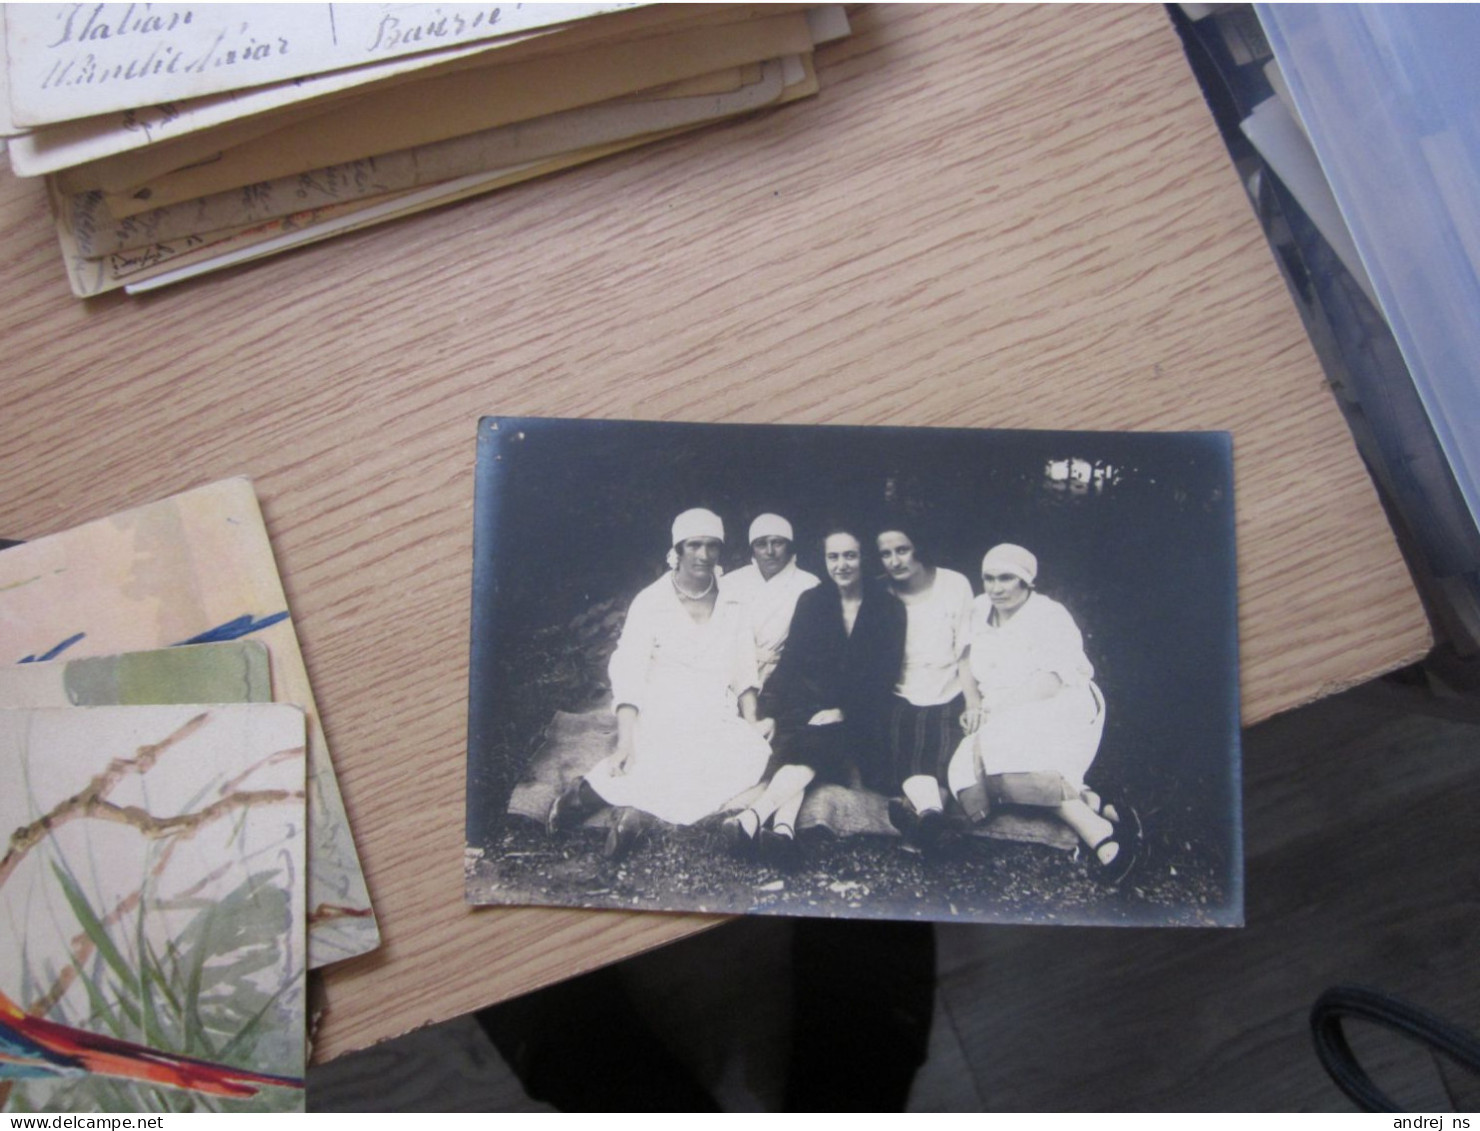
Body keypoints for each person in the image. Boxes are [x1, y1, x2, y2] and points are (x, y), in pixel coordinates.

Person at [547, 508, 774, 858]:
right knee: (667, 754)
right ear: (677, 550)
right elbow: (629, 673)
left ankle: (634, 814)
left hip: (715, 705)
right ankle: (587, 794)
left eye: (712, 546)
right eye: (694, 545)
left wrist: (753, 719)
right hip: (662, 703)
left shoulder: (734, 601)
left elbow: (744, 668)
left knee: (752, 753)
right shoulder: (651, 601)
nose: (703, 555)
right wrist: (625, 741)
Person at [945, 543, 1139, 884]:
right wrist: (973, 704)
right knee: (964, 779)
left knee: (1007, 756)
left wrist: (994, 714)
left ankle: (1097, 831)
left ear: (1026, 581)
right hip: (995, 711)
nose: (996, 587)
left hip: (1060, 704)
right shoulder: (977, 609)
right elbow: (964, 660)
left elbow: (1050, 683)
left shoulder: (1050, 616)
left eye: (1006, 578)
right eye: (988, 578)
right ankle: (1094, 802)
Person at [722, 527, 906, 862]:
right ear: (824, 561)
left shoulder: (889, 608)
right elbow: (791, 661)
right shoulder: (813, 601)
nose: (842, 564)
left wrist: (844, 711)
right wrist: (769, 712)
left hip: (862, 711)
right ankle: (783, 831)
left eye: (850, 555)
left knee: (821, 738)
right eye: (833, 557)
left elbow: (884, 676)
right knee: (802, 738)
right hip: (808, 704)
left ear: (863, 558)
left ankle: (753, 816)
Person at [876, 525, 977, 846]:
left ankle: (921, 816)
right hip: (899, 694)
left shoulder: (954, 584)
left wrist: (973, 702)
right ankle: (932, 819)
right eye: (885, 553)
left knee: (946, 756)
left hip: (949, 691)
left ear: (918, 548)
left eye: (902, 550)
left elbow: (965, 650)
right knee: (902, 757)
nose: (894, 560)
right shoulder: (880, 594)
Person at [721, 513, 820, 688]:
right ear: (753, 549)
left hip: (786, 679)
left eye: (777, 542)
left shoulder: (809, 584)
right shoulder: (731, 582)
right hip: (734, 675)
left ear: (788, 545)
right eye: (761, 544)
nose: (770, 551)